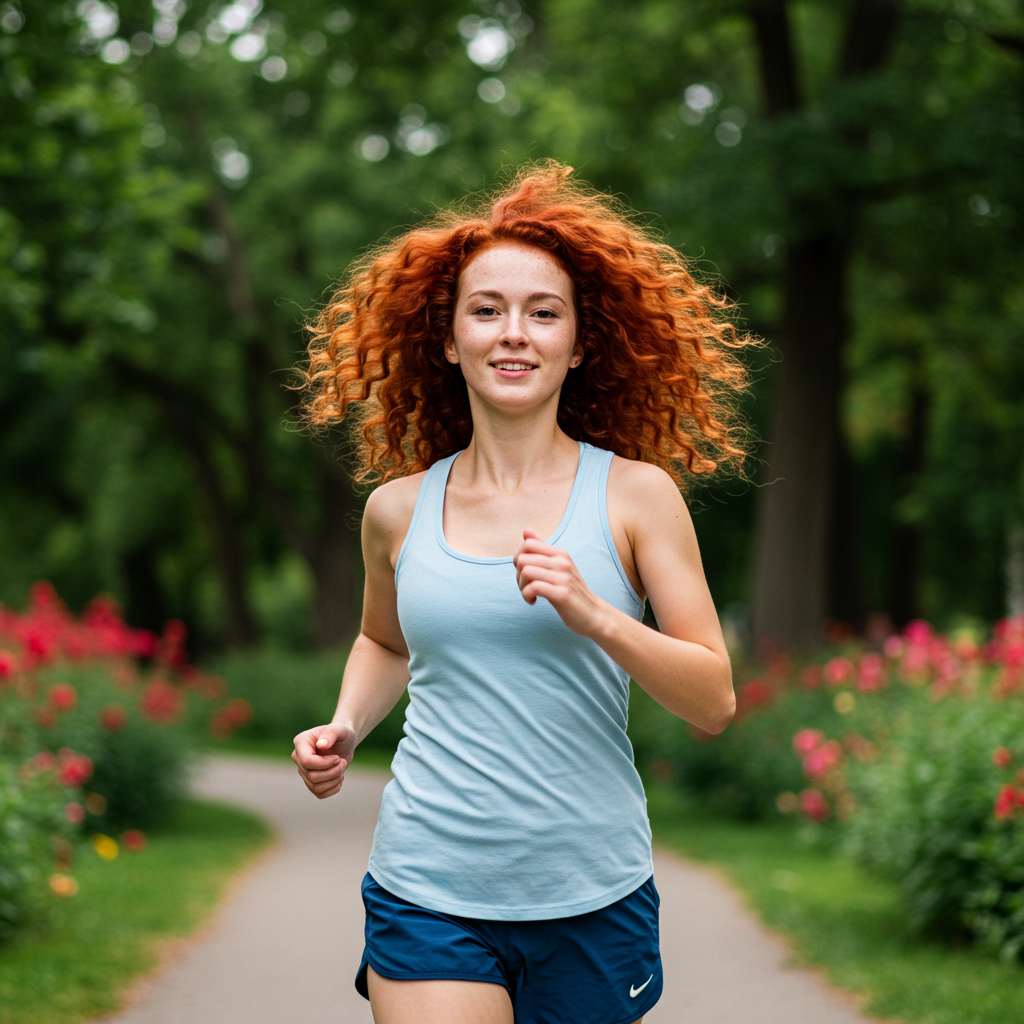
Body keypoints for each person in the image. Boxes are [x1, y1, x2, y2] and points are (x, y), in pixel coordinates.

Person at [292, 162, 754, 1024]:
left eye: (544, 312)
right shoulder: (395, 511)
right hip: (426, 885)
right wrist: (347, 725)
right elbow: (385, 642)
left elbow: (714, 699)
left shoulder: (637, 497)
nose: (515, 333)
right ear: (447, 338)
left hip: (591, 892)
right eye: (487, 309)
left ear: (579, 344)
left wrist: (596, 616)